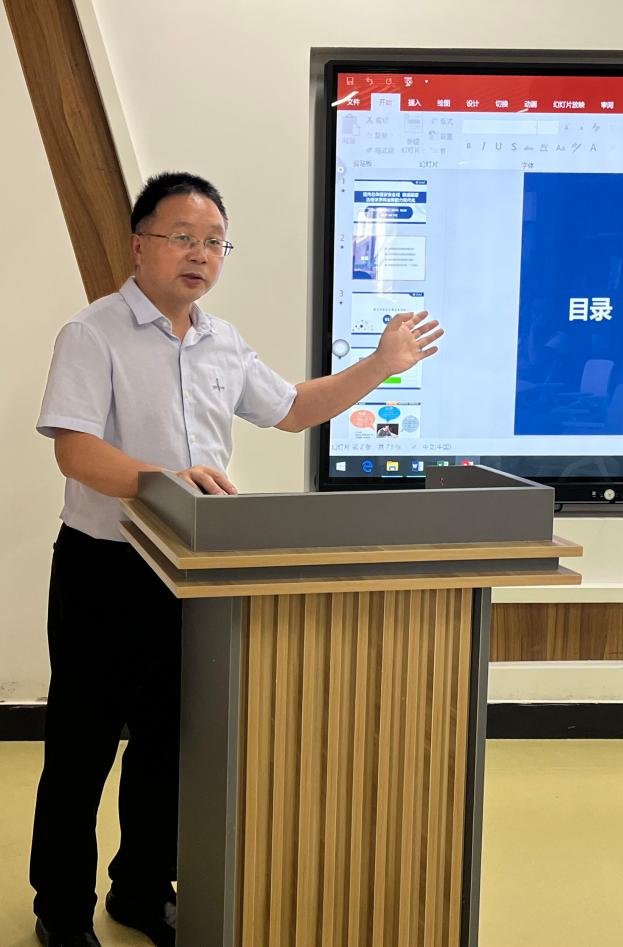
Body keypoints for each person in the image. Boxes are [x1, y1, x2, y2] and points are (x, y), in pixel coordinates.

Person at [30, 171, 442, 947]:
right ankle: (61, 908)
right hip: (103, 569)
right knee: (82, 747)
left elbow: (293, 410)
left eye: (215, 242)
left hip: (193, 571)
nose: (200, 254)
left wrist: (380, 364)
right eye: (183, 237)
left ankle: (140, 891)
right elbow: (76, 451)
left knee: (169, 743)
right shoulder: (93, 333)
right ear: (139, 245)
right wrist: (164, 482)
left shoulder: (222, 342)